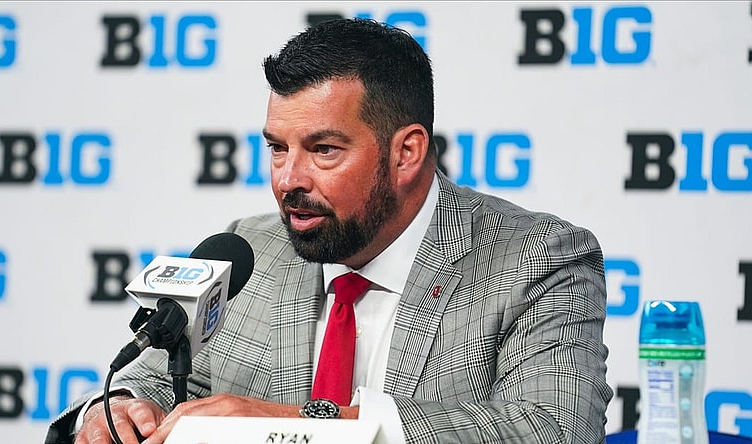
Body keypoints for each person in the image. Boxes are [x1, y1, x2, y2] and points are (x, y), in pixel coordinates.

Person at [47, 18, 613, 444]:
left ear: (406, 152)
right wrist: (117, 408)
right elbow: (150, 381)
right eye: (277, 148)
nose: (288, 180)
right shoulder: (251, 249)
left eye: (323, 150)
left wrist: (300, 424)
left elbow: (553, 428)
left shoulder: (537, 258)